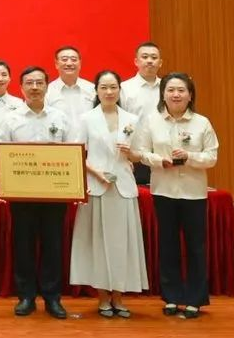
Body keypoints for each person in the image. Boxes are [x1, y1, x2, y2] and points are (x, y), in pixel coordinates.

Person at [132, 72, 218, 319]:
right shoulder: (152, 121)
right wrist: (159, 160)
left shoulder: (202, 122)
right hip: (163, 191)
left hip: (194, 193)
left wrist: (190, 156)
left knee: (196, 247)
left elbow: (212, 157)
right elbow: (140, 152)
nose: (176, 95)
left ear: (190, 95)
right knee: (168, 246)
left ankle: (195, 300)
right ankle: (171, 297)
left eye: (181, 90)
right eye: (170, 90)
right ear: (163, 95)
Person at [69, 70, 148, 318]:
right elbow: (77, 153)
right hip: (97, 187)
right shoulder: (86, 119)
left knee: (122, 244)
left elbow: (140, 153)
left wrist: (132, 154)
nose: (109, 92)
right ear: (96, 91)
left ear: (119, 90)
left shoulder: (132, 119)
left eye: (113, 87)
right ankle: (103, 297)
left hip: (123, 187)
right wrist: (98, 172)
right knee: (98, 244)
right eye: (103, 87)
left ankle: (119, 297)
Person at [0, 66, 74, 319]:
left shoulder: (60, 118)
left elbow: (74, 153)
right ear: (21, 88)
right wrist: (2, 184)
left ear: (46, 87)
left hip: (54, 195)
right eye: (29, 83)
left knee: (53, 246)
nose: (34, 87)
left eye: (39, 83)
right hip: (22, 195)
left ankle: (52, 298)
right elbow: (0, 155)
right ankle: (26, 296)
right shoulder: (11, 119)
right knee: (24, 245)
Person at [121, 42, 163, 185]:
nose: (149, 61)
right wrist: (124, 157)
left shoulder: (168, 88)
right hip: (135, 157)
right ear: (136, 61)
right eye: (145, 57)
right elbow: (120, 124)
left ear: (160, 63)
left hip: (163, 156)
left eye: (154, 57)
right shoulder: (124, 89)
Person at [45, 45, 94, 135]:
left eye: (74, 59)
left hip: (89, 142)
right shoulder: (47, 91)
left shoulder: (92, 89)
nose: (69, 63)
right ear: (56, 64)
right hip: (59, 142)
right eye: (64, 59)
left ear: (80, 64)